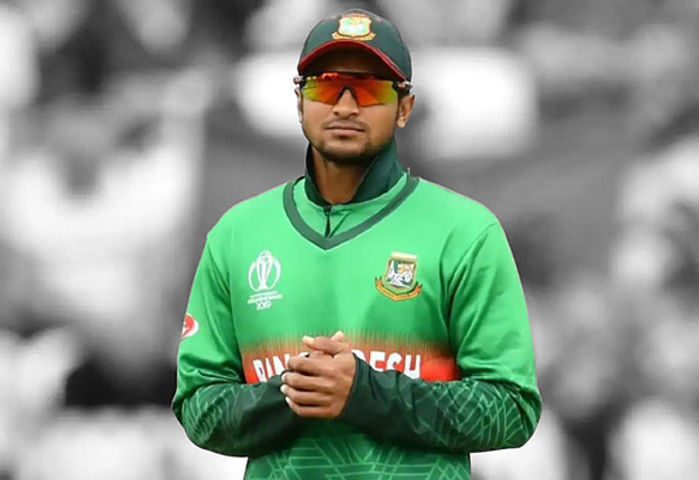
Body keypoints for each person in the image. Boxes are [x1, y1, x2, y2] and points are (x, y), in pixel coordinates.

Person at [172, 8, 541, 479]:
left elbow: (512, 408)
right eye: (326, 87)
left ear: (404, 107)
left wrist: (366, 392)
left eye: (369, 90)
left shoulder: (466, 232)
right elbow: (198, 405)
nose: (345, 107)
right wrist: (297, 392)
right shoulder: (237, 234)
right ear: (300, 102)